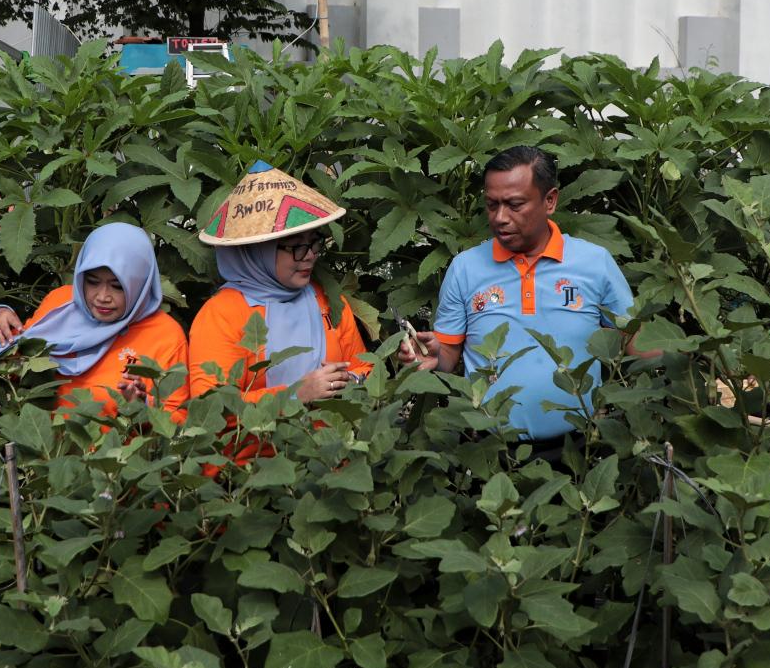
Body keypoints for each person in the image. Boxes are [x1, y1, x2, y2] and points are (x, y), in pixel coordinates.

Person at [400, 146, 649, 450]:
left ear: (550, 201)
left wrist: (690, 355)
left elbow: (636, 345)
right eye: (492, 205)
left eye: (514, 204)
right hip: (492, 449)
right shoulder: (465, 268)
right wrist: (432, 355)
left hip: (583, 447)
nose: (500, 217)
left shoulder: (595, 263)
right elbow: (448, 358)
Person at [189, 160, 371, 404]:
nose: (309, 255)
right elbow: (209, 407)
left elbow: (365, 368)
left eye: (314, 242)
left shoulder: (327, 299)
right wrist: (295, 394)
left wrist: (351, 381)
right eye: (297, 247)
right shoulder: (221, 314)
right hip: (261, 443)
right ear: (256, 251)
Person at [0, 222, 188, 419]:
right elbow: (18, 351)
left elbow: (180, 421)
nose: (102, 296)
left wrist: (145, 409)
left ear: (140, 283)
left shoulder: (166, 336)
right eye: (92, 282)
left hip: (117, 461)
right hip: (42, 457)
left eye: (118, 285)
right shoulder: (62, 302)